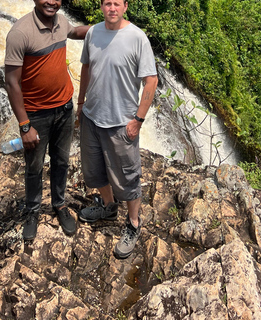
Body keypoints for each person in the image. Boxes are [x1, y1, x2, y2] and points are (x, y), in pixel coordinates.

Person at [76, 0, 158, 258]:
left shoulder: (137, 37)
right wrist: (80, 103)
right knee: (95, 171)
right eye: (107, 3)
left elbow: (151, 80)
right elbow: (86, 67)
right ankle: (109, 207)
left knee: (128, 177)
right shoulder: (93, 33)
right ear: (102, 6)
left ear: (125, 7)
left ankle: (133, 223)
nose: (112, 8)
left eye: (117, 3)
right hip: (91, 117)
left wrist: (138, 120)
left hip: (121, 122)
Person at [4, 0, 90, 240]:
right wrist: (24, 125)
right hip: (36, 114)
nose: (52, 1)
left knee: (61, 161)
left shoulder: (61, 22)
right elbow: (11, 83)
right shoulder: (20, 33)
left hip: (64, 108)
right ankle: (32, 210)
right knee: (34, 166)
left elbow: (75, 32)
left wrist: (106, 27)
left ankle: (59, 205)